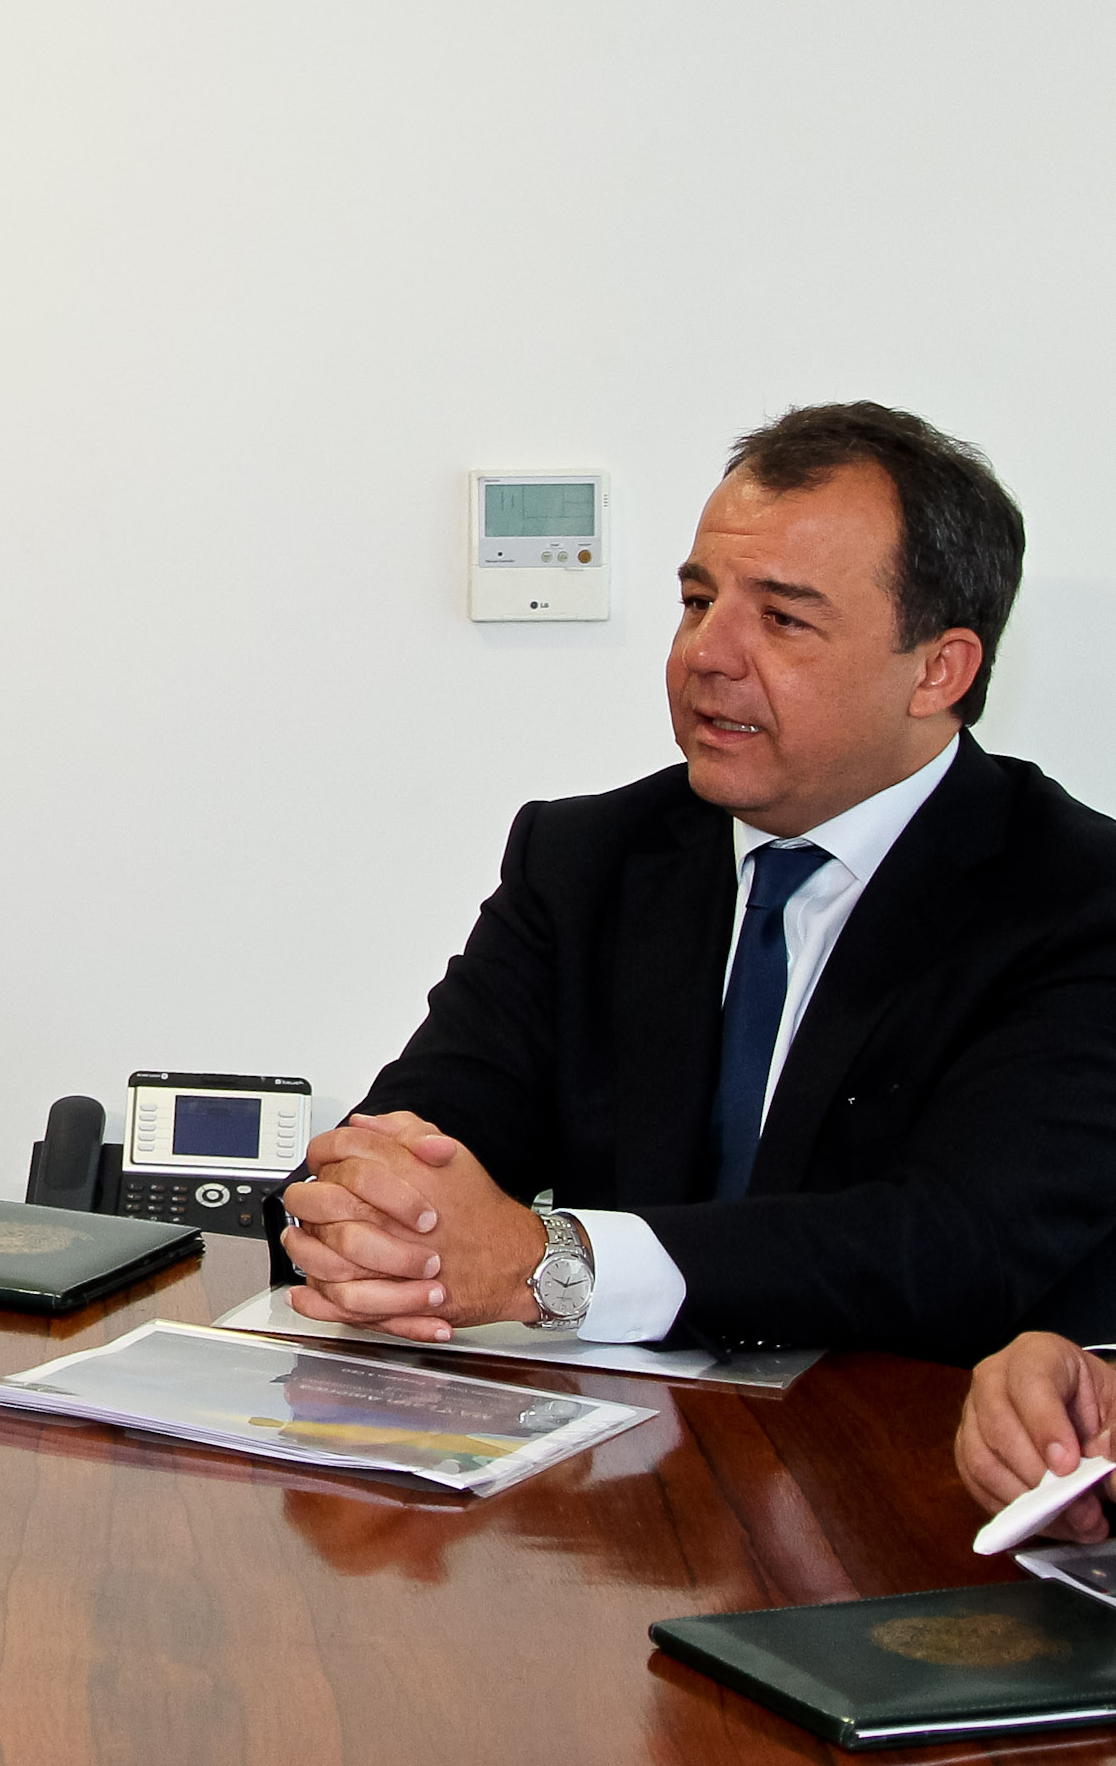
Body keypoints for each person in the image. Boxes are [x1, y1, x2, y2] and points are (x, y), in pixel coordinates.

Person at [280, 402, 1116, 1366]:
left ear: (938, 670)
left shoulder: (1076, 899)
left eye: (783, 617)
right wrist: (362, 1213)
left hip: (913, 1463)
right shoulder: (587, 855)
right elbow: (423, 1135)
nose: (705, 655)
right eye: (697, 601)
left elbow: (950, 1245)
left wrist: (554, 1262)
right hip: (616, 1469)